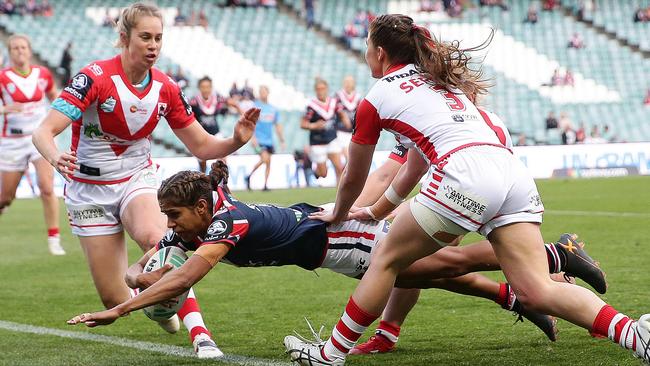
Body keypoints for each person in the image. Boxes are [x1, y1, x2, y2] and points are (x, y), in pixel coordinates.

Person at [284, 15, 650, 365]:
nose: (365, 54)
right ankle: (637, 335)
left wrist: (341, 210)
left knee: (386, 259)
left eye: (367, 46)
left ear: (379, 52)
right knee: (538, 290)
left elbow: (355, 174)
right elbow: (412, 167)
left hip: (464, 173)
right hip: (510, 172)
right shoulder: (440, 82)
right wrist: (377, 212)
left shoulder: (378, 95)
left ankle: (330, 355)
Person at [67, 161, 604, 346]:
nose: (168, 225)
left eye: (175, 215)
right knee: (444, 275)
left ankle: (558, 254)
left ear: (202, 208)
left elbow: (184, 278)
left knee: (450, 265)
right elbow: (151, 263)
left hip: (346, 239)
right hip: (330, 245)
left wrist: (121, 307)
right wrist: (138, 276)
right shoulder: (195, 224)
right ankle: (523, 297)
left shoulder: (224, 224)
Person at [32, 2, 260, 358]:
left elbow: (200, 143)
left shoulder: (166, 88)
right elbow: (44, 132)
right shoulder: (93, 78)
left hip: (136, 179)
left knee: (160, 240)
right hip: (88, 192)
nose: (154, 45)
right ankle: (161, 308)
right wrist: (53, 154)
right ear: (124, 38)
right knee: (113, 296)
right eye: (146, 37)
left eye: (159, 38)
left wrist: (234, 141)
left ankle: (201, 335)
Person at [0, 34, 65, 255]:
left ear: (29, 50)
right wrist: (4, 109)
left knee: (47, 188)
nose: (20, 51)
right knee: (5, 197)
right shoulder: (3, 78)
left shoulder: (42, 74)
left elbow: (55, 96)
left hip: (39, 138)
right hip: (12, 142)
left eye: (23, 47)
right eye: (15, 48)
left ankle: (54, 239)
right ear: (10, 52)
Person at [301, 78, 347, 182]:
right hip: (318, 142)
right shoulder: (311, 106)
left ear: (327, 89)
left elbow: (341, 113)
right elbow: (303, 124)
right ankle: (315, 170)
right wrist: (314, 126)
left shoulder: (333, 102)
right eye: (318, 89)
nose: (320, 91)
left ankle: (340, 197)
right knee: (323, 174)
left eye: (323, 88)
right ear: (315, 90)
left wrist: (346, 122)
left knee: (339, 168)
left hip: (332, 139)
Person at [189, 76, 238, 173]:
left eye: (208, 87)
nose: (206, 89)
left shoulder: (217, 98)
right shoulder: (194, 102)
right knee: (202, 162)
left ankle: (222, 183)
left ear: (211, 88)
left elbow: (231, 102)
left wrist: (242, 111)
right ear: (199, 88)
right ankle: (203, 181)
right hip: (201, 135)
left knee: (223, 158)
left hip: (215, 133)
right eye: (203, 87)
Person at [245, 85, 284, 191]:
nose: (262, 93)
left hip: (269, 140)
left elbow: (277, 125)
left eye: (264, 91)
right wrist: (253, 138)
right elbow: (249, 123)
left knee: (268, 162)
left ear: (268, 93)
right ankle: (248, 176)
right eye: (260, 91)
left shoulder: (273, 109)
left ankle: (265, 185)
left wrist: (282, 140)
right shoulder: (255, 107)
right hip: (259, 140)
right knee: (264, 158)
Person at [334, 76, 358, 161]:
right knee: (348, 157)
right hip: (341, 130)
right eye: (346, 82)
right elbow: (339, 110)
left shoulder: (357, 97)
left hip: (352, 132)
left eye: (350, 82)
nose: (348, 84)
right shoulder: (338, 95)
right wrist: (345, 119)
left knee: (349, 158)